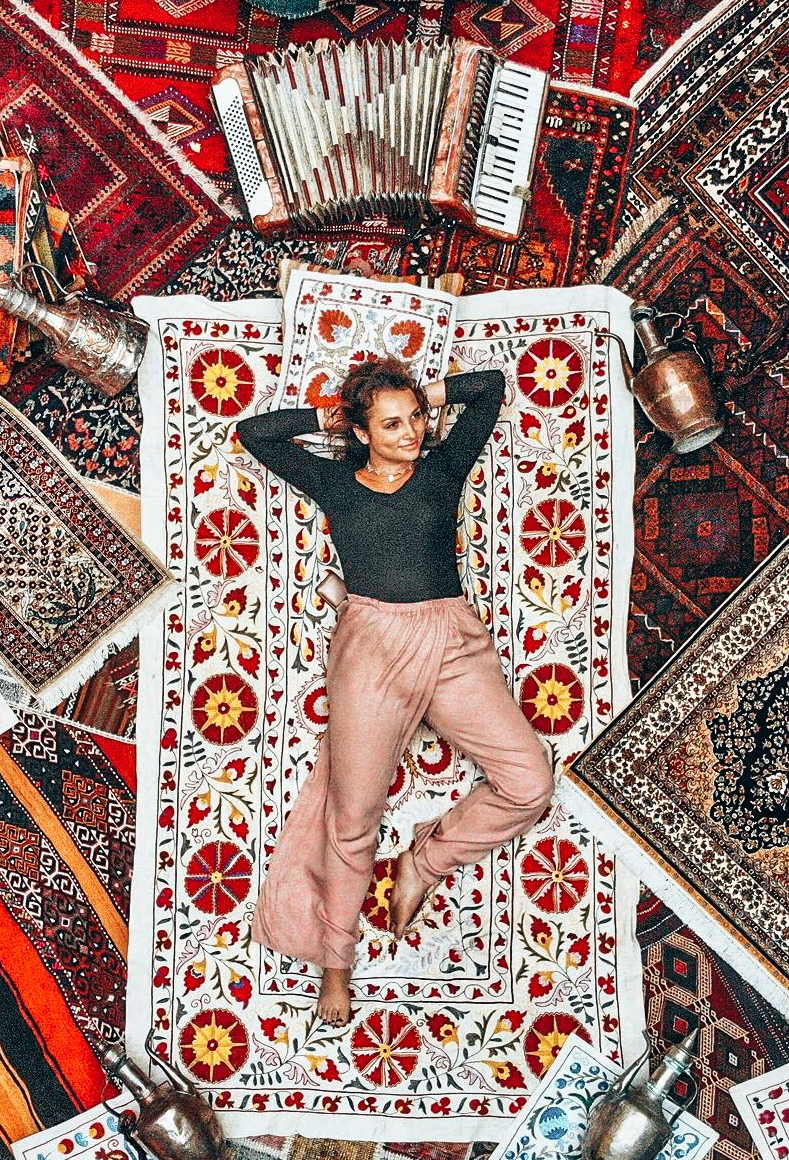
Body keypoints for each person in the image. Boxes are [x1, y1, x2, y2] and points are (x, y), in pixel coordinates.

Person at [234, 359, 554, 1026]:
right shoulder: (334, 483)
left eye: (415, 418)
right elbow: (255, 433)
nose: (412, 432)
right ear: (362, 431)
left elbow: (489, 387)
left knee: (530, 781)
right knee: (353, 817)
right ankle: (335, 964)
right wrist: (330, 417)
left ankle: (424, 863)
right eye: (391, 423)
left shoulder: (440, 470)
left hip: (452, 642)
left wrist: (423, 394)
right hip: (373, 646)